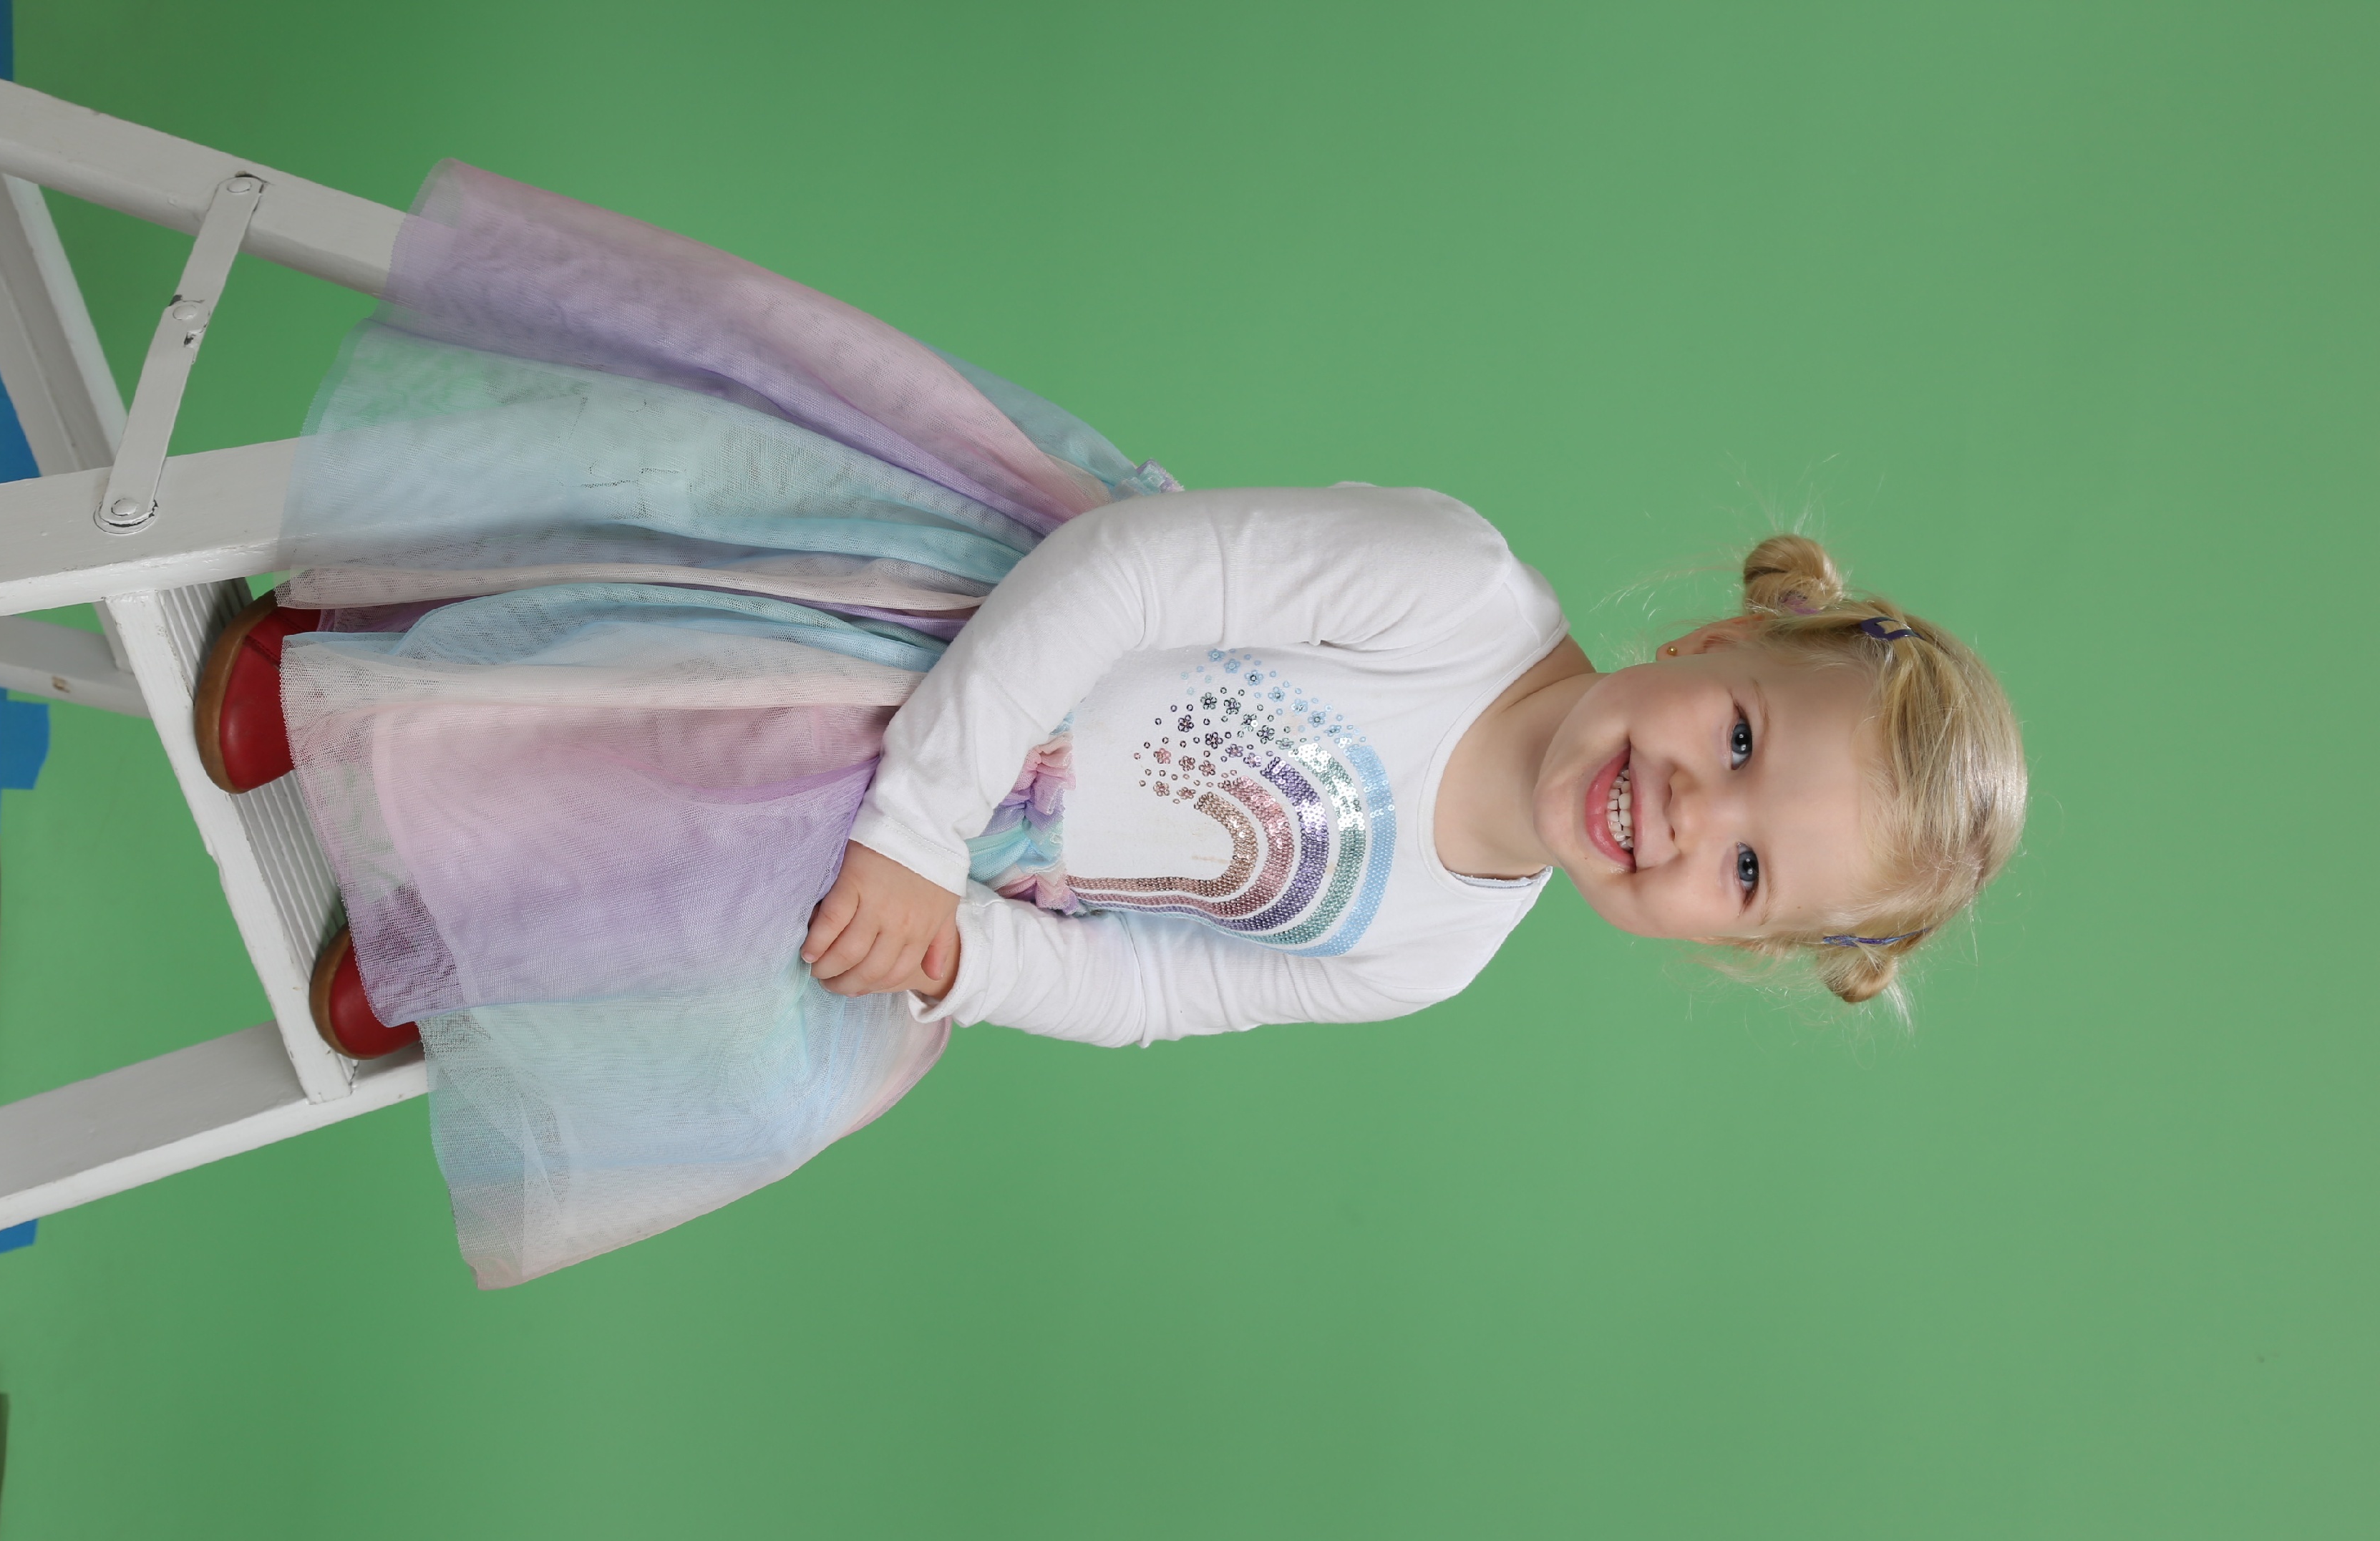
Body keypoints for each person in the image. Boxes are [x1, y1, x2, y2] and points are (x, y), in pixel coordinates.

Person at [195, 163, 2025, 1287]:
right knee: (709, 703)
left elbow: (1166, 988)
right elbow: (1135, 575)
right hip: (951, 638)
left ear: (1732, 941)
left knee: (765, 1035)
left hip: (972, 872)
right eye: (1737, 740)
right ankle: (344, 663)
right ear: (1714, 639)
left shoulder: (1439, 950)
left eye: (1749, 870)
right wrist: (916, 824)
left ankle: (457, 949)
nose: (1692, 815)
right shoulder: (1457, 596)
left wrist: (960, 952)